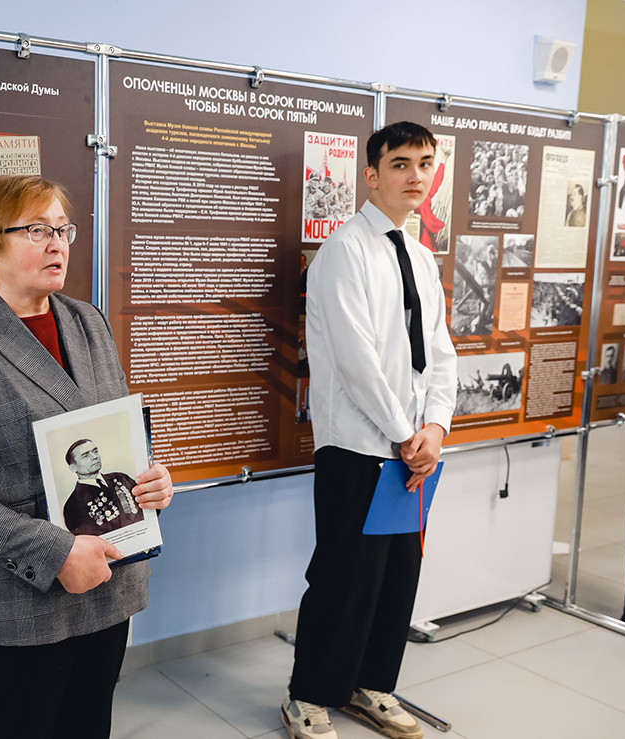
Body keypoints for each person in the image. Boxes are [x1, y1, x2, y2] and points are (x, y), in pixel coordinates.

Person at [0, 175, 174, 739]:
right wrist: (56, 552)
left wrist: (151, 480)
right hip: (19, 605)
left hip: (106, 587)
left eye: (62, 229)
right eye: (36, 230)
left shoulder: (88, 322)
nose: (57, 244)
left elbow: (115, 438)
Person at [281, 122, 458, 739]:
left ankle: (370, 685)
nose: (416, 175)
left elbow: (439, 352)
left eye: (425, 163)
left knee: (397, 576)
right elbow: (356, 360)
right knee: (343, 577)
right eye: (401, 163)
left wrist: (436, 426)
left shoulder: (421, 256)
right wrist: (406, 433)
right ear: (372, 174)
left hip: (413, 450)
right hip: (357, 447)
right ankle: (308, 696)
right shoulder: (344, 251)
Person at [63, 439, 144, 536]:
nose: (95, 457)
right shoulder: (72, 506)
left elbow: (148, 509)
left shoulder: (120, 478)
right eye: (85, 456)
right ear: (73, 468)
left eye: (95, 451)